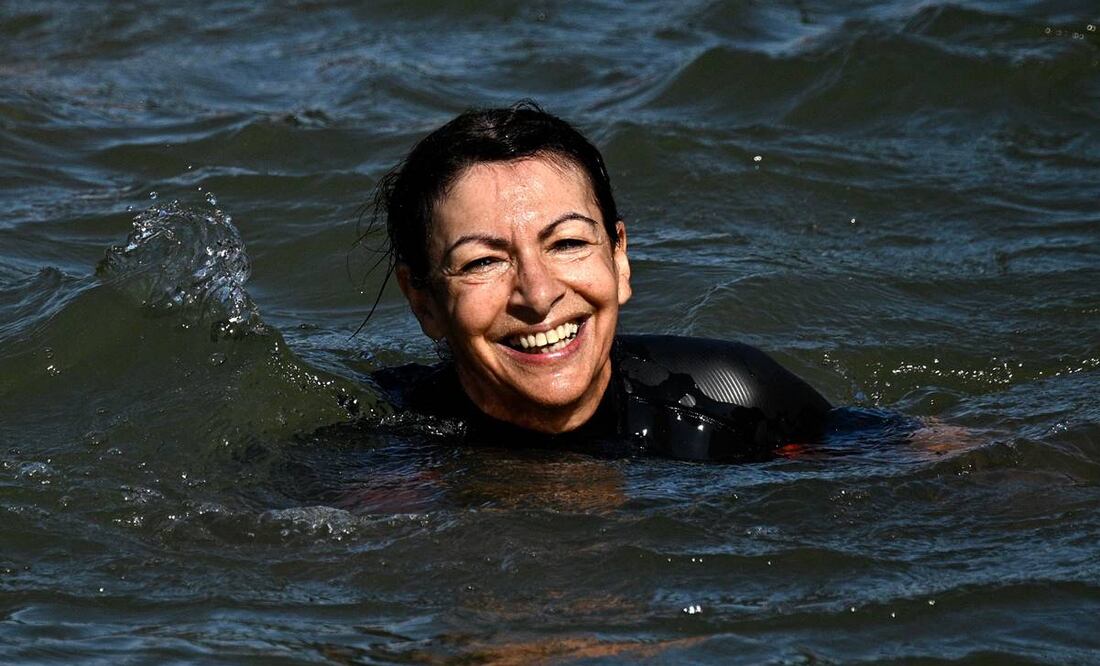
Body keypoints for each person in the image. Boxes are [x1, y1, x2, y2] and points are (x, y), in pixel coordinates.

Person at [367, 102, 832, 462]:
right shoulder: (384, 457)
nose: (539, 293)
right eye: (483, 262)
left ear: (619, 258)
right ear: (423, 300)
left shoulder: (734, 402)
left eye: (567, 243)